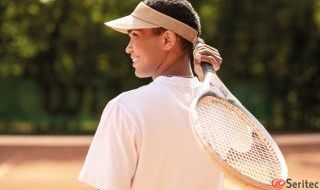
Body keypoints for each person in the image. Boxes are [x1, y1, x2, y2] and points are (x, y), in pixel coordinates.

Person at [79, 0, 224, 189]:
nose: (128, 48)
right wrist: (211, 82)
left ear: (167, 40)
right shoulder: (219, 108)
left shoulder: (125, 107)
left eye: (135, 35)